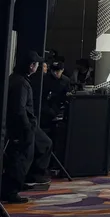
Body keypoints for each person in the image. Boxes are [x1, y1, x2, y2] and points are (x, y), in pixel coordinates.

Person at [2, 52, 52, 203]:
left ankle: (24, 181)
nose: (38, 67)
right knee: (21, 159)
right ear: (31, 66)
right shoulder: (21, 83)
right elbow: (19, 109)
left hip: (24, 126)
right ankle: (11, 191)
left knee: (40, 146)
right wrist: (27, 128)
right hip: (23, 127)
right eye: (37, 64)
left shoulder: (15, 79)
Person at [40, 62, 71, 127]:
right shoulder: (45, 78)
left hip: (59, 105)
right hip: (45, 104)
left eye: (57, 71)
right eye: (53, 71)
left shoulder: (66, 80)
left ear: (62, 70)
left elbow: (67, 93)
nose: (54, 73)